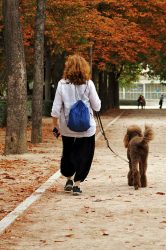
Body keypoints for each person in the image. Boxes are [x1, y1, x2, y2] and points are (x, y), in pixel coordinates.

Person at [51, 54, 101, 195]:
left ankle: (68, 179)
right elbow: (97, 106)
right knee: (84, 154)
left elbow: (56, 107)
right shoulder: (88, 84)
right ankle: (77, 184)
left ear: (68, 67)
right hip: (87, 128)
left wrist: (55, 125)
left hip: (67, 127)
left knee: (68, 152)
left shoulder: (62, 84)